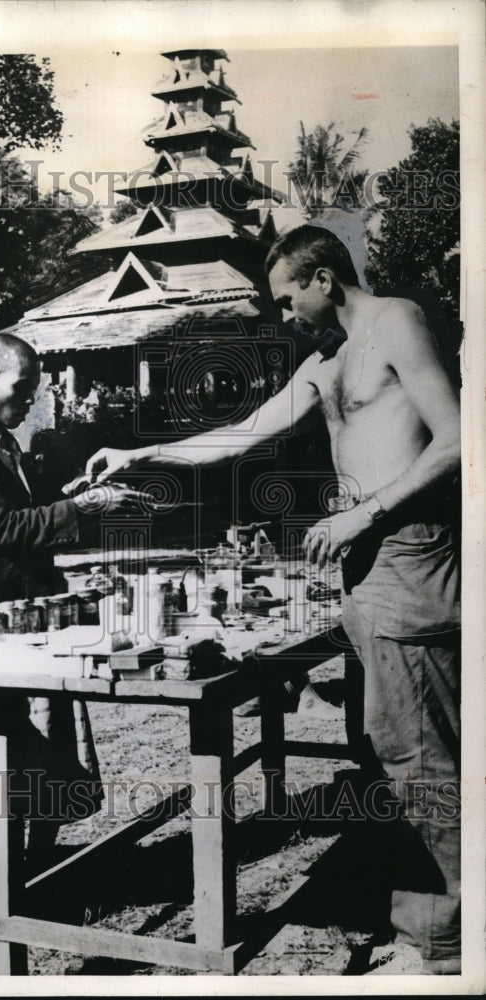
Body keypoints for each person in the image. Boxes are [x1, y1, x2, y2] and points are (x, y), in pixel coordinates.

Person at [86, 224, 461, 975]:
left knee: (423, 752)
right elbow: (245, 432)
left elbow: (459, 438)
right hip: (364, 569)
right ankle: (440, 916)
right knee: (391, 744)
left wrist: (364, 513)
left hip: (407, 557)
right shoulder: (326, 361)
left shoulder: (397, 321)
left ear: (324, 279)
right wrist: (142, 451)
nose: (284, 316)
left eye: (288, 300)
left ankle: (462, 933)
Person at [0, 332, 145, 871]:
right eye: (22, 387)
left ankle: (43, 866)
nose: (31, 399)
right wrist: (89, 507)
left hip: (28, 616)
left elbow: (22, 513)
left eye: (35, 388)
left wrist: (73, 495)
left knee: (48, 735)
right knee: (1, 750)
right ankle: (5, 875)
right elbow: (2, 529)